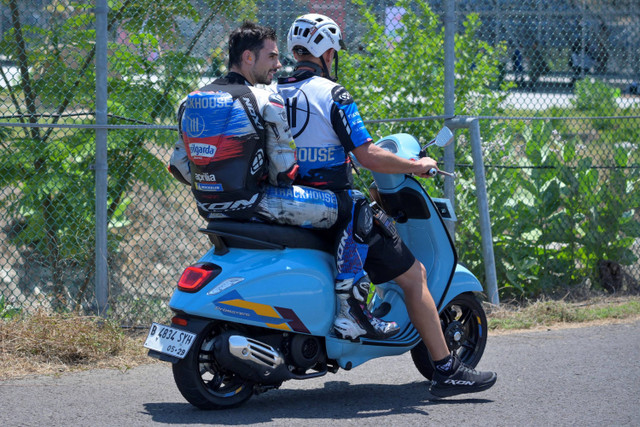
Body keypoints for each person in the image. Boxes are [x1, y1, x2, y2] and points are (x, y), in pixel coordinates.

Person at [277, 13, 497, 398]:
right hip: (336, 207)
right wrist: (418, 165)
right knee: (414, 276)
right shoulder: (333, 94)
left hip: (293, 203)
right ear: (327, 52)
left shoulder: (274, 90)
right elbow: (368, 156)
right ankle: (447, 369)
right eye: (334, 51)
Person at [169, 21, 398, 340]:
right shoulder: (264, 100)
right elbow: (283, 171)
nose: (279, 64)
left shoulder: (191, 100)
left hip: (209, 207)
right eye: (272, 56)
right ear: (248, 57)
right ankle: (352, 311)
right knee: (356, 205)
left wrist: (217, 182)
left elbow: (179, 167)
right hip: (255, 203)